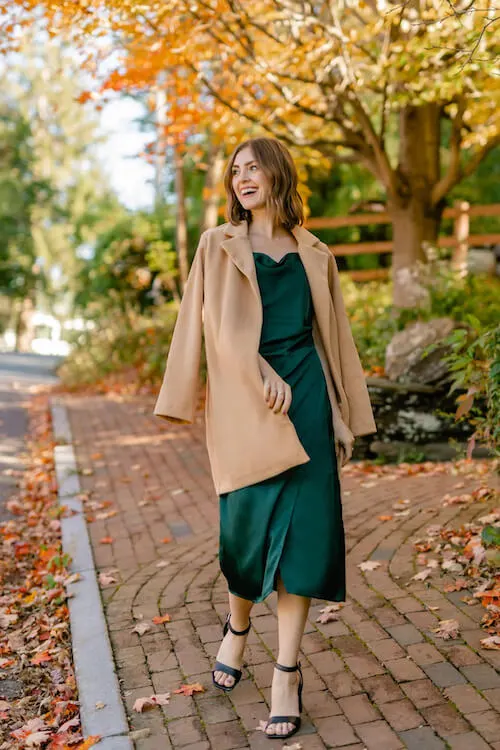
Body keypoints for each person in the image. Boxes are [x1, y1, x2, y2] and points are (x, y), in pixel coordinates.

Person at [154, 137, 376, 740]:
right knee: (246, 530)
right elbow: (206, 322)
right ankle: (238, 624)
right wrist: (257, 368)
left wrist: (343, 412)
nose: (241, 177)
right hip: (245, 397)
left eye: (253, 167)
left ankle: (286, 671)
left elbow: (335, 339)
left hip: (304, 395)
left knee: (306, 534)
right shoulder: (217, 244)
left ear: (278, 175)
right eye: (234, 171)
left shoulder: (315, 252)